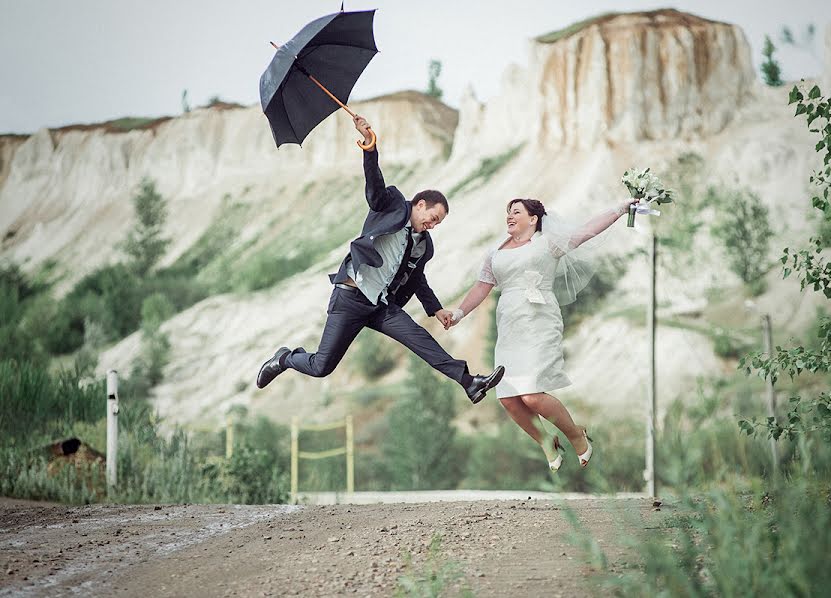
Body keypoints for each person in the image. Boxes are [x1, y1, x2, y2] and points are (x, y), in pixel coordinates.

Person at [256, 115, 505, 403]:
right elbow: (374, 188)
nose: (433, 225)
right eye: (433, 218)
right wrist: (370, 148)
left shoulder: (423, 244)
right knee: (321, 366)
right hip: (350, 297)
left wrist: (436, 309)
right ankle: (285, 358)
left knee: (419, 339)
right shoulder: (392, 206)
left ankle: (469, 382)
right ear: (420, 204)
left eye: (438, 223)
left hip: (380, 305)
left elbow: (417, 280)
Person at [445, 197, 637, 470]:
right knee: (509, 398)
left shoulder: (548, 243)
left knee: (532, 395)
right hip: (510, 325)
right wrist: (459, 314)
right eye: (507, 212)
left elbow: (586, 230)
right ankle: (546, 441)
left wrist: (620, 208)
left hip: (539, 320)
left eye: (516, 212)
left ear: (533, 219)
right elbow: (481, 286)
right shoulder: (495, 252)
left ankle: (575, 434)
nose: (509, 216)